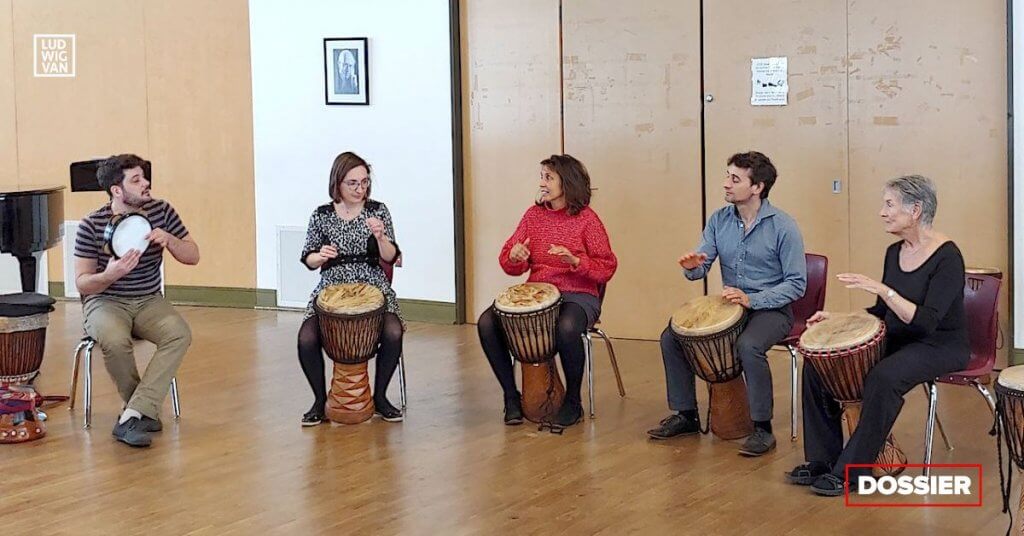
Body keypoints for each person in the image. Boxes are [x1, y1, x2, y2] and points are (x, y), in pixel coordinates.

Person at [786, 175, 969, 496]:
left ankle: (850, 471)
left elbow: (926, 322)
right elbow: (883, 313)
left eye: (889, 204)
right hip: (899, 336)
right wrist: (841, 318)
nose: (882, 212)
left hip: (940, 344)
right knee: (818, 367)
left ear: (915, 210)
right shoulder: (893, 251)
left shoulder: (948, 257)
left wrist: (884, 289)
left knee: (883, 378)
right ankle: (821, 461)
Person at [647, 151, 806, 457]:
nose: (726, 184)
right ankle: (686, 414)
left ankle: (762, 428)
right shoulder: (719, 220)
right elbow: (699, 268)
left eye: (735, 179)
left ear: (757, 187)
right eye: (727, 176)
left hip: (772, 309)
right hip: (731, 307)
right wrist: (692, 265)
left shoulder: (783, 226)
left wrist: (753, 299)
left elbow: (797, 284)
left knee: (749, 346)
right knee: (672, 337)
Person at [477, 154, 618, 429]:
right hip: (537, 293)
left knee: (566, 327)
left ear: (567, 183)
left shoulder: (587, 220)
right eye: (541, 176)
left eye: (548, 178)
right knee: (487, 322)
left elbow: (607, 267)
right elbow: (508, 261)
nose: (542, 183)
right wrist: (515, 256)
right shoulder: (533, 216)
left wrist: (577, 262)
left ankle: (573, 401)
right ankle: (510, 396)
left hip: (579, 295)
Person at [74, 154, 199, 448]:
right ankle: (141, 411)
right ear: (116, 190)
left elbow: (193, 255)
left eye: (144, 177)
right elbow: (83, 283)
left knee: (179, 334)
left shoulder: (162, 211)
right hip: (104, 301)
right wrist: (109, 274)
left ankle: (132, 414)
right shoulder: (91, 224)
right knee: (115, 340)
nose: (146, 184)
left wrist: (169, 239)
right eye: (136, 180)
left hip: (148, 300)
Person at [297, 151, 403, 426]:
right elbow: (308, 258)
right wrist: (319, 256)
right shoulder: (321, 215)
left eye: (365, 182)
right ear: (338, 183)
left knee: (393, 331)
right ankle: (319, 401)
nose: (360, 189)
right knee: (306, 338)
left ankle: (380, 397)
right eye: (353, 183)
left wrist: (381, 238)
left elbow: (391, 256)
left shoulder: (378, 210)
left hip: (372, 283)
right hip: (332, 285)